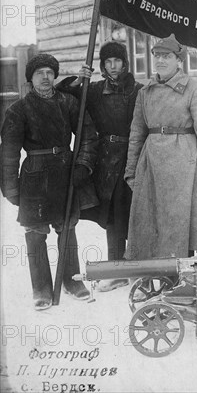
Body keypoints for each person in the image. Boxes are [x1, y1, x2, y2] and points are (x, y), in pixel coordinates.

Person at [0, 54, 98, 310]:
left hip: (65, 171)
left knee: (67, 228)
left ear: (55, 76)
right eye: (39, 73)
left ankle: (72, 281)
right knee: (35, 233)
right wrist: (11, 187)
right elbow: (8, 152)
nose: (45, 77)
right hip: (34, 175)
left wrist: (82, 165)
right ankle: (41, 288)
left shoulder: (69, 103)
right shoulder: (18, 110)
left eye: (49, 72)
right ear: (31, 79)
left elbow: (88, 135)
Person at [57, 42, 143, 291]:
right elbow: (67, 95)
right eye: (107, 62)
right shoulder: (94, 90)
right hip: (106, 161)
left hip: (133, 157)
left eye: (117, 61)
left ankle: (137, 267)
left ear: (125, 63)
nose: (112, 66)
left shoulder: (138, 90)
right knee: (113, 217)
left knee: (134, 215)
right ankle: (116, 270)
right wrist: (77, 81)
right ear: (102, 66)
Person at [124, 34, 197, 260]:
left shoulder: (194, 90)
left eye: (166, 56)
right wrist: (130, 171)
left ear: (179, 61)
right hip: (151, 162)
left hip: (181, 163)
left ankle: (177, 275)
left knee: (177, 221)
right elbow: (137, 134)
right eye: (157, 56)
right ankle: (151, 274)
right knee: (148, 219)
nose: (160, 61)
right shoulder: (145, 92)